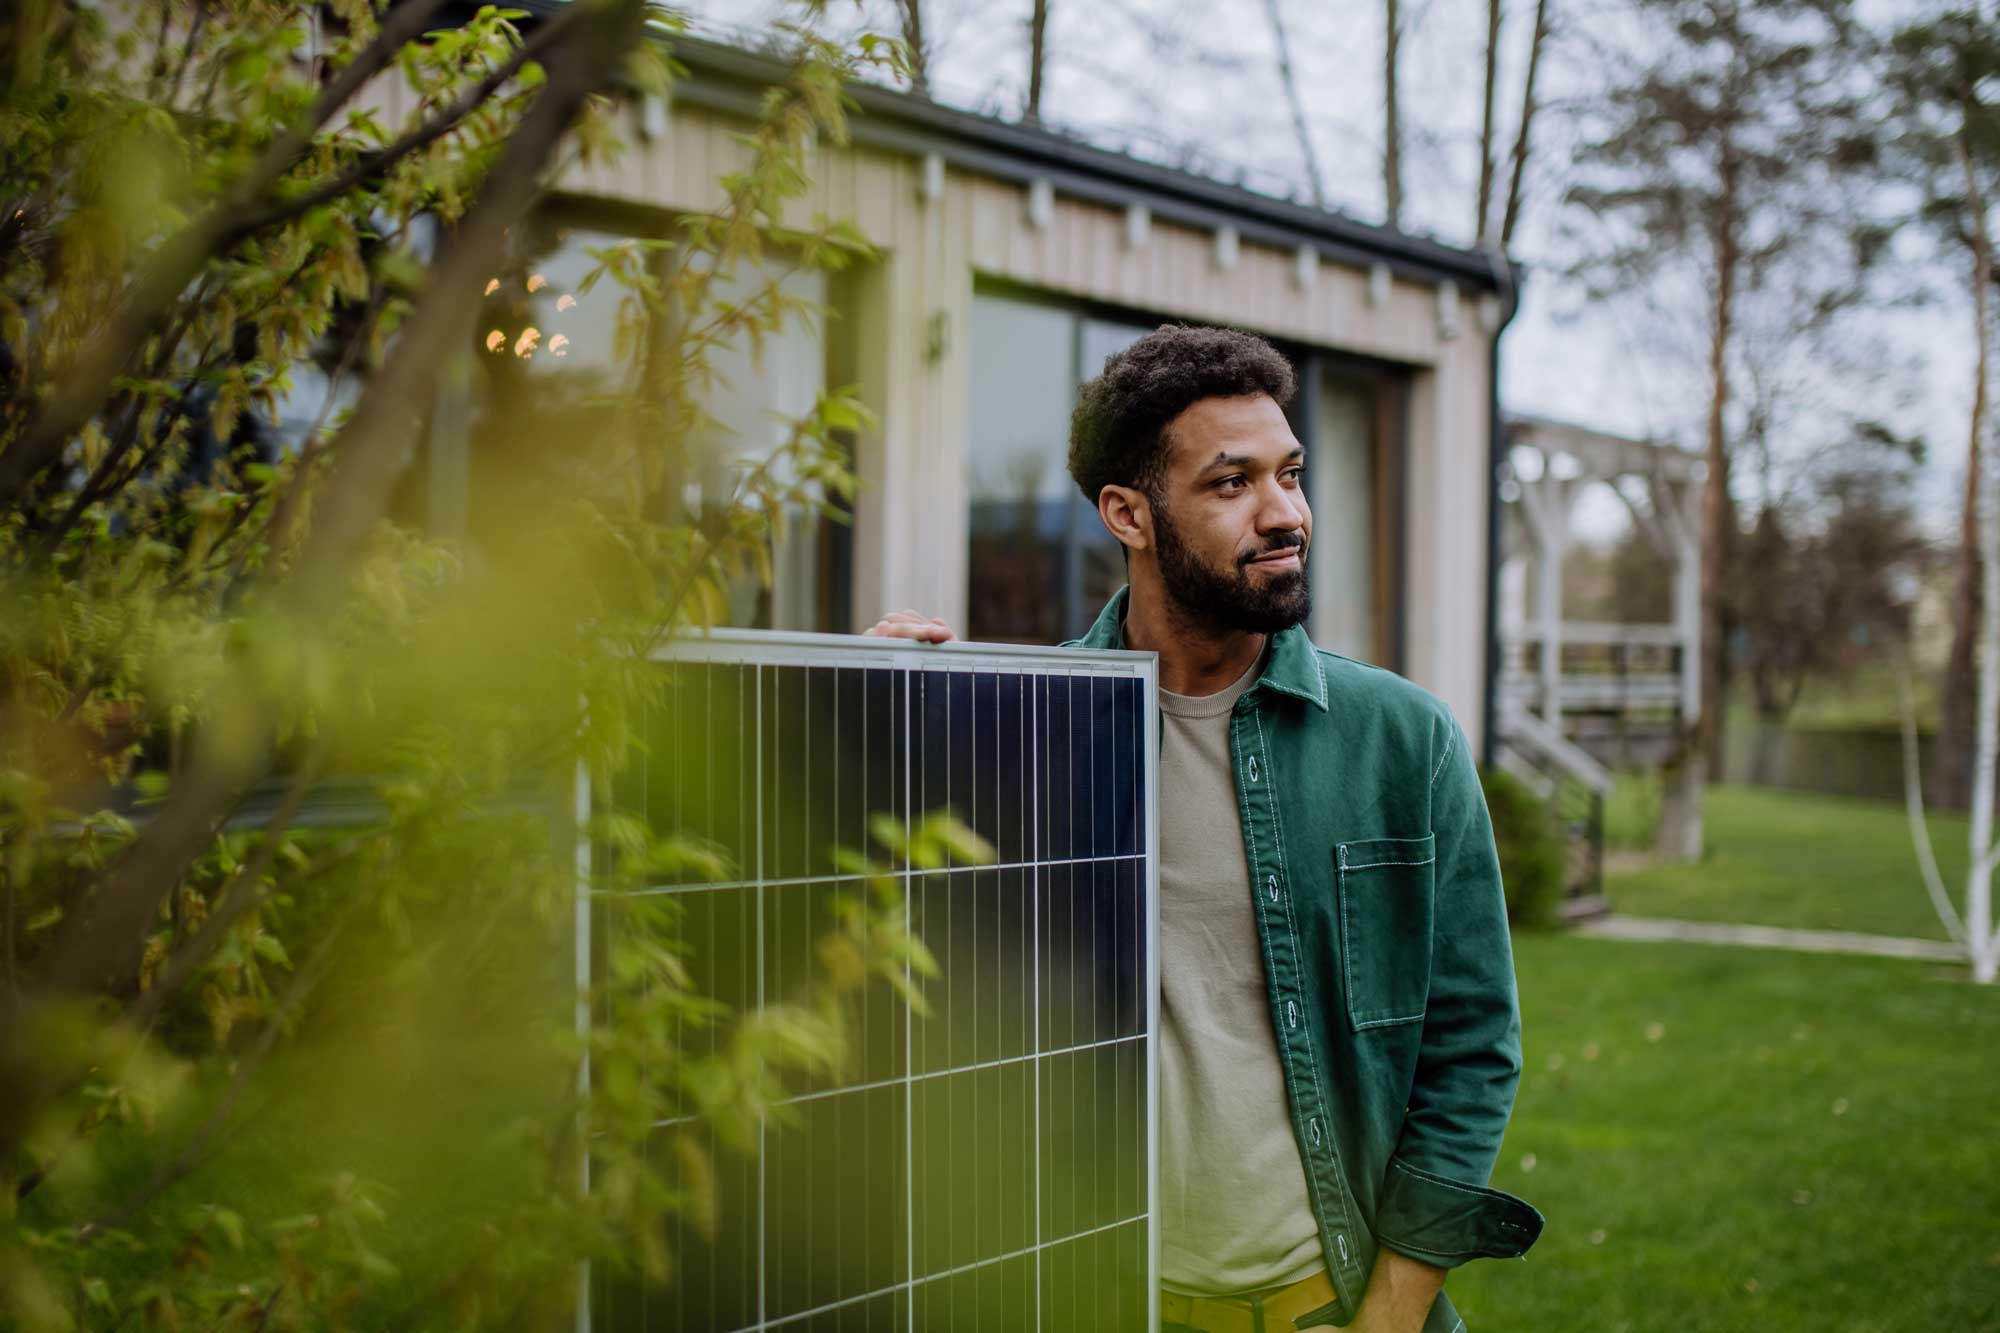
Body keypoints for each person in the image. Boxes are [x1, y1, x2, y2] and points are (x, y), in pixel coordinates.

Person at [866, 324, 1541, 1333]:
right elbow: (907, 1000)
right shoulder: (1019, 735)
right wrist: (862, 721)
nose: (1284, 515)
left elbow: (1470, 1046)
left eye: (1291, 474)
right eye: (1231, 484)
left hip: (1331, 1308)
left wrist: (1387, 1320)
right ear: (1127, 514)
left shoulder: (1401, 743)